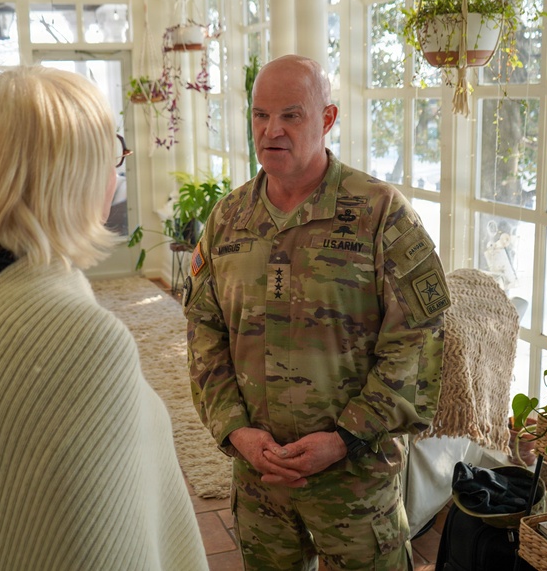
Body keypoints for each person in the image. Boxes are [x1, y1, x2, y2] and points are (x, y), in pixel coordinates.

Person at [0, 66, 208, 571]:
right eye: (111, 157)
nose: (116, 173)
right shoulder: (80, 341)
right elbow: (112, 547)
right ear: (68, 179)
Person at [184, 54, 451, 570]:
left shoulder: (379, 213)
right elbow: (204, 331)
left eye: (291, 115)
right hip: (260, 482)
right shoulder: (228, 218)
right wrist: (236, 430)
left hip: (355, 484)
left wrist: (345, 436)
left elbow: (417, 339)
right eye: (260, 116)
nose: (271, 130)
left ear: (327, 119)